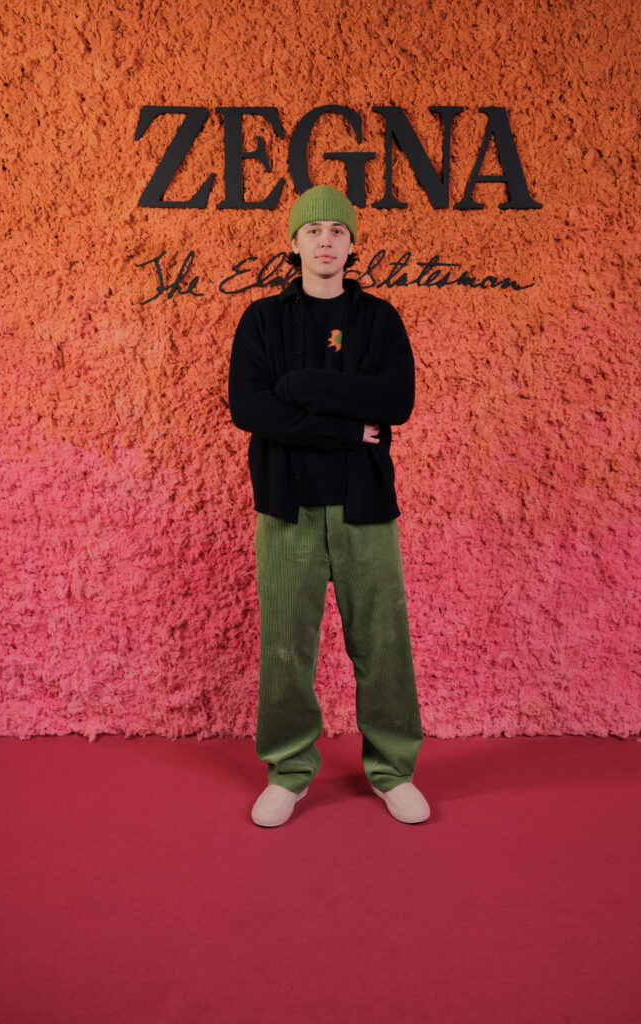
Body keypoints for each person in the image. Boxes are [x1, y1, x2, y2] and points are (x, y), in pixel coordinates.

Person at [228, 184, 429, 827]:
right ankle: (288, 771)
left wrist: (301, 386)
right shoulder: (261, 320)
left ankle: (393, 770)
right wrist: (346, 428)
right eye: (313, 230)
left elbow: (395, 402)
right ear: (294, 243)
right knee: (286, 644)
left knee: (383, 640)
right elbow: (251, 408)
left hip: (364, 505)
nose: (325, 241)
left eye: (337, 231)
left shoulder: (380, 320)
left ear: (351, 244)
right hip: (285, 507)